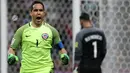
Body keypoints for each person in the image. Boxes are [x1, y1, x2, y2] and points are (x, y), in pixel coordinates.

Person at [7, 1, 69, 73]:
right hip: (27, 70)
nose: (38, 13)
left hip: (46, 69)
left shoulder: (52, 31)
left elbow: (61, 48)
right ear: (31, 13)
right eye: (35, 10)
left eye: (41, 10)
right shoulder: (21, 31)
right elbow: (12, 49)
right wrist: (11, 56)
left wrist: (64, 55)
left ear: (44, 13)